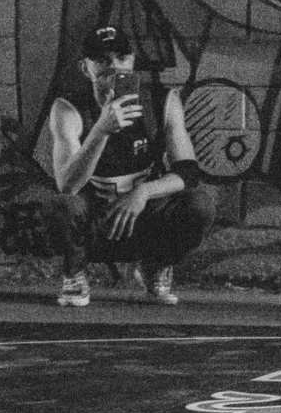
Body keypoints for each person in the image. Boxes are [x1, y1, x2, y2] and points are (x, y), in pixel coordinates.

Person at [46, 26, 217, 306]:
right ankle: (74, 273)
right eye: (101, 60)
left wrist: (143, 193)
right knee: (60, 206)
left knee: (200, 205)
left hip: (142, 217)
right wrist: (101, 130)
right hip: (97, 221)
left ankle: (155, 265)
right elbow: (67, 185)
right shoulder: (68, 109)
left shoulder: (162, 102)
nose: (113, 66)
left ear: (132, 61)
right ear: (84, 68)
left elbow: (188, 172)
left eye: (121, 57)